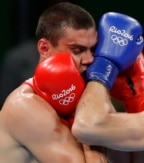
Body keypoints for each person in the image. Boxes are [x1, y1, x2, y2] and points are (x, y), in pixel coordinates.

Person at [0, 2, 108, 163]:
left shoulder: (84, 93)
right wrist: (101, 82)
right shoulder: (23, 107)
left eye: (92, 49)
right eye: (77, 50)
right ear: (44, 48)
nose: (89, 59)